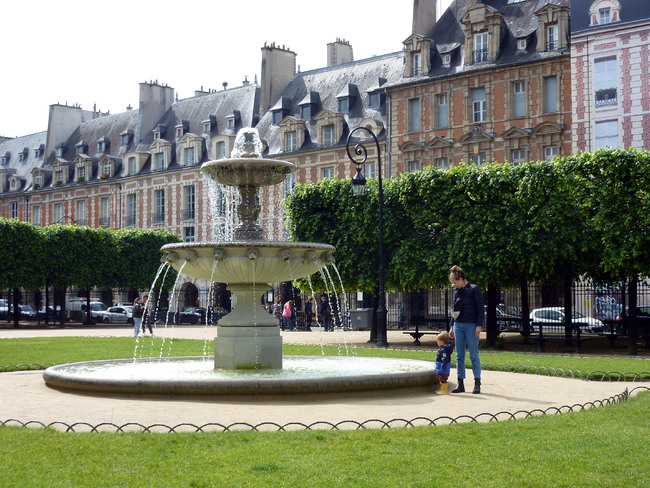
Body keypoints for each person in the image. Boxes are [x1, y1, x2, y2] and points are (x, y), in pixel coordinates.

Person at [448, 265, 484, 394]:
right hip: (458, 325)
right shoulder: (456, 291)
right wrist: (451, 326)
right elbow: (453, 309)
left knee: (474, 355)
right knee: (459, 355)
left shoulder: (474, 289)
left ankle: (477, 382)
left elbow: (480, 309)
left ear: (461, 279)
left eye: (455, 282)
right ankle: (460, 383)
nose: (454, 285)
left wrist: (479, 325)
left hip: (471, 325)